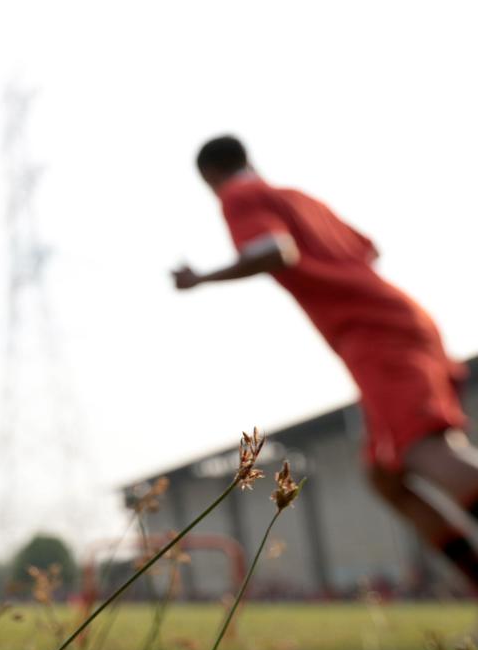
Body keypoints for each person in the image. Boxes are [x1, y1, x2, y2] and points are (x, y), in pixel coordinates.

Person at [174, 135, 478, 586]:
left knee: (423, 449)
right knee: (385, 475)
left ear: (211, 177)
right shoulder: (298, 198)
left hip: (375, 333)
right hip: (397, 321)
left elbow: (275, 251)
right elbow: (367, 248)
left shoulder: (239, 196)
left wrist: (201, 278)